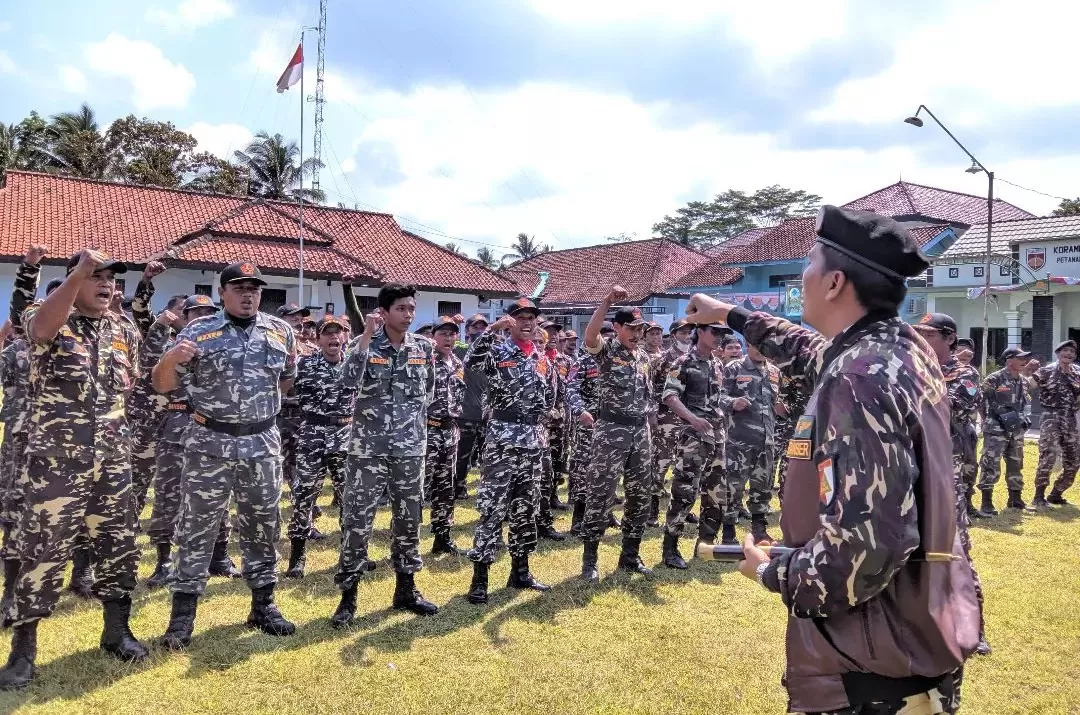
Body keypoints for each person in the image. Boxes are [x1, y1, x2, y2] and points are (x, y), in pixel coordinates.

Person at [687, 205, 979, 714]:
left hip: (868, 668)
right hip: (910, 642)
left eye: (808, 267)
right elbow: (807, 348)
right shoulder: (896, 352)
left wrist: (774, 571)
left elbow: (863, 553)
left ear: (835, 282)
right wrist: (728, 314)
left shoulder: (859, 376)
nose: (801, 279)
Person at [1, 250, 148, 690]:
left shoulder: (125, 329)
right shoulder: (45, 317)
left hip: (113, 462)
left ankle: (116, 630)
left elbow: (130, 385)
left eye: (110, 280)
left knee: (118, 545)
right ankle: (23, 651)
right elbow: (40, 329)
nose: (106, 285)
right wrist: (77, 272)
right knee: (42, 552)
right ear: (75, 280)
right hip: (56, 466)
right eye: (95, 277)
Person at [153, 262, 297, 649]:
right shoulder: (199, 330)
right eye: (239, 287)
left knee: (264, 523)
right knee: (197, 527)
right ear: (222, 292)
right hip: (209, 444)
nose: (248, 294)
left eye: (254, 288)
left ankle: (263, 605)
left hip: (261, 444)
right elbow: (163, 384)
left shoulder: (281, 331)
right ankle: (182, 618)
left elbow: (286, 377)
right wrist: (169, 360)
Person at [331, 283, 438, 627]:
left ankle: (406, 589)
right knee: (357, 522)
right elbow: (346, 382)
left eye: (411, 308)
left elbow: (429, 391)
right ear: (385, 311)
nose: (408, 315)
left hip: (409, 451)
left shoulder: (424, 348)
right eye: (401, 309)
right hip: (367, 452)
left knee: (408, 520)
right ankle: (348, 598)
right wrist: (365, 337)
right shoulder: (362, 344)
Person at [462, 298, 554, 605]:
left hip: (533, 442)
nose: (527, 323)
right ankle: (480, 578)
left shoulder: (542, 357)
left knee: (526, 510)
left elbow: (550, 395)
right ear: (510, 321)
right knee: (492, 508)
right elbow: (471, 363)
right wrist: (491, 330)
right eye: (520, 317)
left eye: (532, 318)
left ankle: (520, 572)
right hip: (502, 441)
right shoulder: (498, 349)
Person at [912, 312, 991, 657]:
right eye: (918, 333)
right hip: (912, 467)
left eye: (928, 334)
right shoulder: (914, 369)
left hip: (947, 472)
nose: (921, 339)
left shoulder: (964, 374)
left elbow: (947, 407)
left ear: (949, 338)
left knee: (955, 547)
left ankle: (975, 627)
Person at [145, 295, 233, 589]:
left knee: (217, 493)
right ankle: (163, 561)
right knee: (169, 493)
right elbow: (153, 372)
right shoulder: (174, 347)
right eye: (196, 312)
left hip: (212, 428)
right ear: (184, 317)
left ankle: (219, 557)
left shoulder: (223, 346)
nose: (202, 317)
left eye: (209, 312)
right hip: (178, 425)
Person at [579, 289, 654, 583]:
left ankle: (630, 556)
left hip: (640, 433)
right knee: (601, 495)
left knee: (639, 496)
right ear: (618, 328)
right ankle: (590, 561)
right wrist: (608, 302)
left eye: (640, 329)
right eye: (632, 329)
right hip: (612, 432)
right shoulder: (608, 351)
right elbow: (590, 336)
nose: (637, 334)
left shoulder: (645, 357)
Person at [284, 315, 356, 579]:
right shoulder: (306, 364)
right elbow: (290, 392)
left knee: (349, 497)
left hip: (345, 434)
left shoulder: (353, 364)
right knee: (304, 495)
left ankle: (350, 553)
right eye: (328, 333)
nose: (333, 338)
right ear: (319, 338)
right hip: (312, 434)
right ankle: (297, 555)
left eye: (338, 333)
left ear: (345, 337)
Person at [659, 323, 730, 568]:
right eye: (715, 332)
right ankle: (670, 549)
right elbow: (669, 396)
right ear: (700, 332)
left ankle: (706, 544)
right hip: (693, 438)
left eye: (722, 334)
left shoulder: (717, 364)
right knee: (684, 492)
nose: (719, 338)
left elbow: (719, 398)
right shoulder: (683, 362)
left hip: (717, 437)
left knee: (715, 493)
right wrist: (693, 419)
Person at [0, 246, 46, 615]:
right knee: (16, 511)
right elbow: (21, 309)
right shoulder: (24, 344)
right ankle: (11, 592)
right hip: (23, 436)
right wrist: (30, 269)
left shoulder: (93, 337)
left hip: (68, 444)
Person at [719, 344, 782, 542]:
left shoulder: (774, 371)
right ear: (748, 345)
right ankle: (728, 532)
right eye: (757, 345)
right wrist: (732, 403)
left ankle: (759, 531)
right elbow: (718, 397)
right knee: (733, 487)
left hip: (766, 441)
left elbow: (775, 401)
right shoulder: (734, 368)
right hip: (739, 441)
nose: (762, 350)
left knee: (763, 487)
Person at [977, 347, 1037, 516]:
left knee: (1016, 463)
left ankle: (1015, 499)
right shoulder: (994, 378)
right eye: (1021, 358)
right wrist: (987, 420)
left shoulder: (1023, 381)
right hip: (996, 428)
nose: (1024, 361)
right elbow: (981, 401)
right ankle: (986, 502)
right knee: (991, 463)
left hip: (1016, 428)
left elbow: (1024, 402)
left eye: (1025, 358)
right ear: (1009, 360)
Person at [425, 316, 466, 555]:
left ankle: (442, 536)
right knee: (419, 487)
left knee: (445, 487)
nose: (448, 338)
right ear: (434, 336)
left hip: (450, 431)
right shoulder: (426, 362)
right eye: (443, 333)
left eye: (452, 334)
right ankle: (402, 541)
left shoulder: (458, 364)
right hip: (428, 429)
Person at [647, 319, 693, 528]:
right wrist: (653, 413)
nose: (687, 336)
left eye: (689, 333)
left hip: (691, 419)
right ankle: (652, 510)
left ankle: (684, 509)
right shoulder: (662, 359)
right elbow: (650, 388)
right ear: (674, 335)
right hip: (667, 419)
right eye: (682, 333)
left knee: (687, 465)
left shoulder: (695, 358)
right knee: (661, 463)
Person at [1030, 339, 1080, 506]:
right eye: (1065, 351)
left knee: (1074, 460)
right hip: (1051, 418)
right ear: (1058, 353)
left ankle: (1056, 493)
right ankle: (1038, 497)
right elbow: (1027, 387)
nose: (1069, 354)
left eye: (1072, 352)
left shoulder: (1077, 373)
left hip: (1070, 419)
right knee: (1048, 456)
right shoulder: (1046, 371)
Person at [276, 303, 314, 501]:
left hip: (301, 414)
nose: (299, 322)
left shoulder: (310, 349)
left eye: (301, 318)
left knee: (299, 461)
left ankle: (302, 506)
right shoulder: (271, 345)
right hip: (276, 414)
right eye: (293, 318)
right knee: (270, 463)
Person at [454, 314, 490, 500]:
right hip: (466, 413)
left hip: (488, 415)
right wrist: (453, 323)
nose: (479, 331)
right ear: (467, 331)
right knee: (463, 456)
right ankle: (459, 486)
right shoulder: (461, 350)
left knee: (489, 456)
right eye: (475, 327)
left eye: (483, 327)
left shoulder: (493, 354)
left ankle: (486, 489)